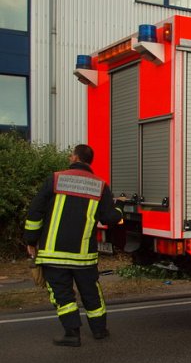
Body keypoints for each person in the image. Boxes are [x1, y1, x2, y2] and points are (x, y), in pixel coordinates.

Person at [24, 144, 124, 347]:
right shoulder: (100, 185)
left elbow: (35, 213)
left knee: (62, 293)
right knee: (90, 292)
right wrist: (120, 207)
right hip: (83, 256)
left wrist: (30, 241)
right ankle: (99, 330)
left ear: (74, 158)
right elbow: (110, 218)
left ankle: (72, 333)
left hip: (53, 253)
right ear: (89, 161)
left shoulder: (55, 179)